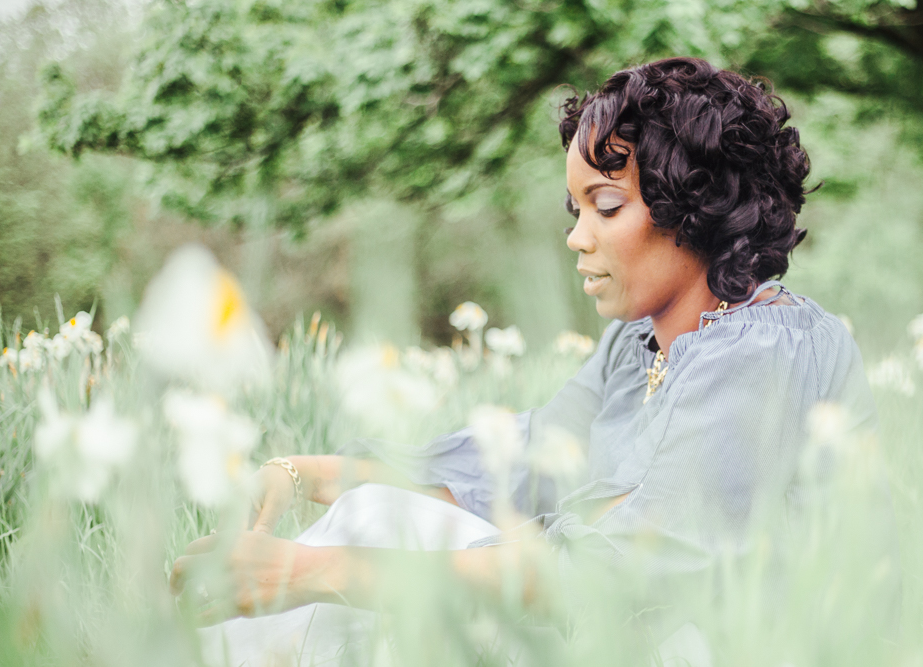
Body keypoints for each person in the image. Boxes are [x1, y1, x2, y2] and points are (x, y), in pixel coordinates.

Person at [169, 57, 900, 665]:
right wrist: (302, 473)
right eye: (574, 210)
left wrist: (311, 571)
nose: (578, 237)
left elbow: (611, 575)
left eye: (606, 206)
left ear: (695, 208)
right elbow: (519, 464)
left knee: (392, 569)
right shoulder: (640, 341)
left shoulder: (763, 349)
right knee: (375, 521)